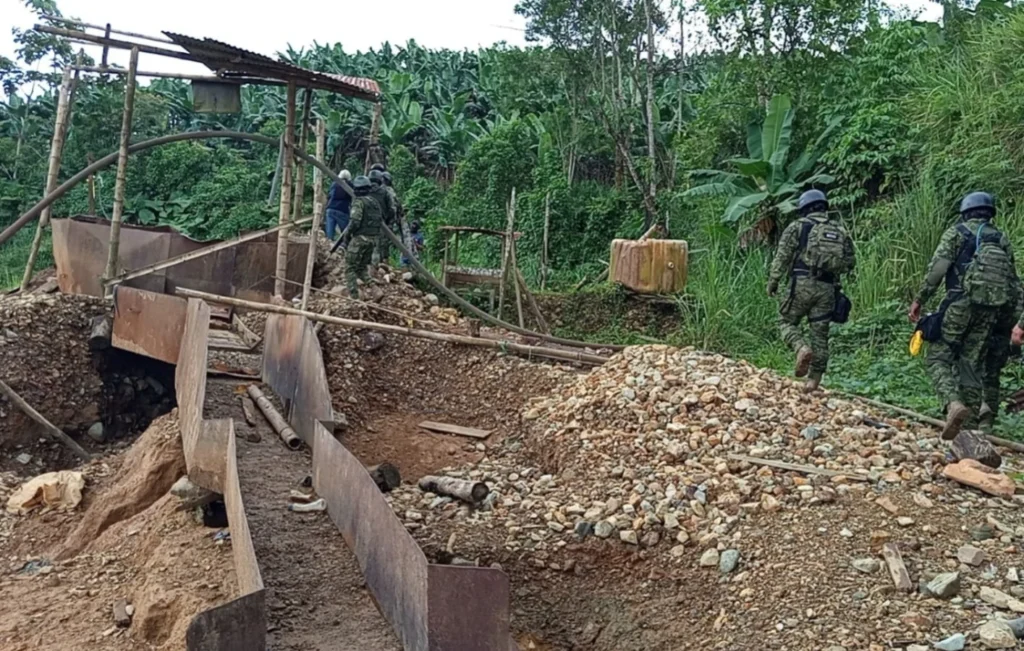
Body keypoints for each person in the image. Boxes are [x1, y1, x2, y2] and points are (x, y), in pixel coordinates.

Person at [910, 191, 1020, 438]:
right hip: (990, 311)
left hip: (959, 304)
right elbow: (1013, 282)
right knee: (971, 364)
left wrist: (920, 299)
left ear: (965, 211)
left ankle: (952, 403)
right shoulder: (1001, 238)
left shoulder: (957, 232)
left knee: (937, 358)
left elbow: (938, 269)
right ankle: (969, 431)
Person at [767, 189, 855, 393]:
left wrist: (773, 281)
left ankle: (800, 347)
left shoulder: (797, 227)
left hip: (801, 284)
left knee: (784, 321)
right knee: (820, 334)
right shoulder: (840, 232)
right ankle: (813, 381)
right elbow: (850, 262)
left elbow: (782, 256)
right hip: (827, 289)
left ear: (804, 208)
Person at [341, 175, 383, 299]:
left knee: (350, 268)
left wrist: (347, 236)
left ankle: (354, 298)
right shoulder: (374, 203)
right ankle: (376, 289)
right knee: (361, 269)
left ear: (356, 189)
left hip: (360, 239)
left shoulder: (359, 202)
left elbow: (355, 221)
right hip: (372, 240)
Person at [368, 169, 396, 266]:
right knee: (378, 248)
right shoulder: (385, 192)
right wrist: (389, 222)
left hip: (363, 224)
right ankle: (376, 269)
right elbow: (392, 210)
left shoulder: (363, 191)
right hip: (380, 224)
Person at [324, 169, 352, 241]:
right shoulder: (350, 185)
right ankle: (344, 246)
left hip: (331, 209)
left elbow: (329, 196)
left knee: (329, 233)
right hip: (342, 210)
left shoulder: (334, 183)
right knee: (345, 233)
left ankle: (328, 245)